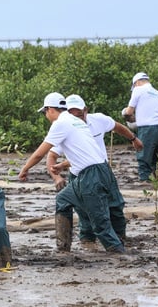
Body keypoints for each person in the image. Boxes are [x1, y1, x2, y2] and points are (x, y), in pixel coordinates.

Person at [18, 92, 125, 253]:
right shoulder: (77, 121)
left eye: (45, 112)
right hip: (100, 170)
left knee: (100, 224)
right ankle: (63, 248)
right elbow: (85, 153)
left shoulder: (61, 123)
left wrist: (25, 169)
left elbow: (41, 153)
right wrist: (62, 166)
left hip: (91, 176)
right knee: (63, 198)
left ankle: (120, 255)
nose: (46, 116)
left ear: (50, 110)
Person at [46, 94, 143, 243]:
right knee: (86, 213)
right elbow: (51, 156)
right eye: (71, 113)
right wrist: (57, 177)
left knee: (115, 206)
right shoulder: (66, 125)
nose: (75, 117)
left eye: (78, 113)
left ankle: (119, 238)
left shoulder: (98, 120)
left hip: (102, 170)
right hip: (80, 175)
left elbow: (118, 127)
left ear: (85, 110)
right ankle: (88, 242)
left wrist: (133, 139)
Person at [122, 72, 158, 182]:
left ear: (137, 82)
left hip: (147, 130)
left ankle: (145, 184)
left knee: (143, 158)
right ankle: (155, 181)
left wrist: (124, 114)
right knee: (154, 158)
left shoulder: (138, 90)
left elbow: (129, 112)